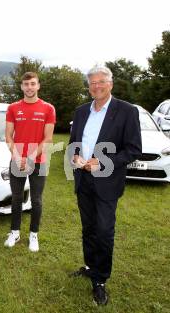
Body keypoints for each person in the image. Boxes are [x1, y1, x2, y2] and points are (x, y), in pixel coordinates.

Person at [68, 65, 142, 305]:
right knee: (88, 228)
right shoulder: (81, 112)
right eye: (92, 83)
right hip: (83, 179)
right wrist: (75, 157)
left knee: (103, 231)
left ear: (110, 84)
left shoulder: (126, 111)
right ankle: (90, 266)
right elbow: (73, 144)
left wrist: (103, 161)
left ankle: (100, 280)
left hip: (107, 181)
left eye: (101, 82)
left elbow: (133, 149)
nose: (96, 86)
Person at [4, 72, 56, 251]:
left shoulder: (48, 108)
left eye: (33, 84)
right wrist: (18, 157)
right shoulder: (13, 108)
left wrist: (31, 158)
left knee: (36, 200)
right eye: (26, 84)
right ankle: (15, 232)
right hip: (17, 160)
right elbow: (8, 136)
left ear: (38, 86)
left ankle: (34, 235)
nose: (29, 87)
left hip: (39, 161)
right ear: (21, 87)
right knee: (17, 198)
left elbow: (48, 138)